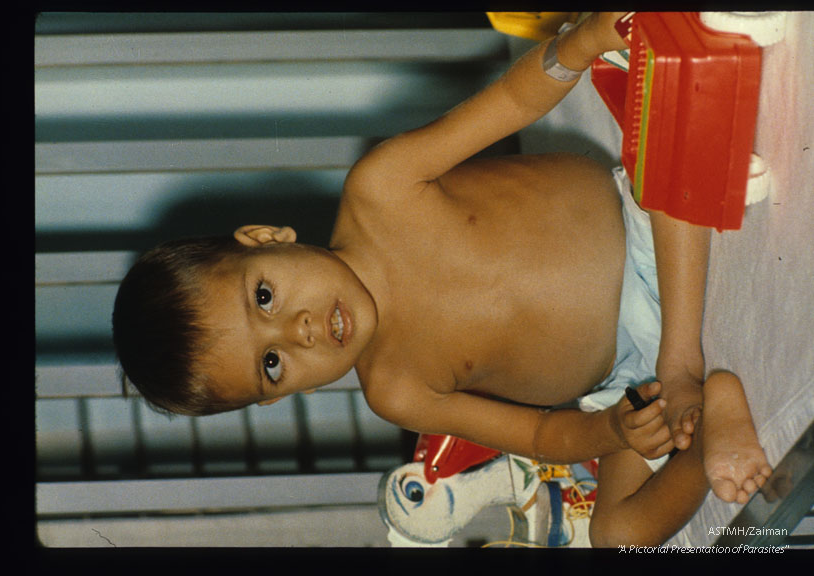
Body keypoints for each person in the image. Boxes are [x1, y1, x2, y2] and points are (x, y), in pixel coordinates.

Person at [112, 13, 771, 546]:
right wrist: (623, 432)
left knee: (664, 168)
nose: (303, 330)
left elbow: (511, 101)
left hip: (643, 233)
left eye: (264, 298)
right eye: (274, 363)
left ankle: (687, 364)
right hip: (627, 383)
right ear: (276, 398)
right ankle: (704, 426)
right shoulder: (396, 391)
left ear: (265, 238)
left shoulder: (380, 189)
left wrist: (582, 44)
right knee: (619, 534)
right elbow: (544, 436)